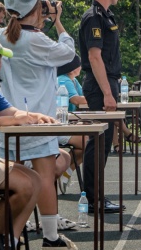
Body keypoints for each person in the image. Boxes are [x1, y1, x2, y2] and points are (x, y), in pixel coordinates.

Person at [0, 0, 78, 249]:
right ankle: (50, 237)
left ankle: (8, 235)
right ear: (36, 9)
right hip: (39, 122)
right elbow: (69, 54)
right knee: (45, 178)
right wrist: (58, 21)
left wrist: (41, 20)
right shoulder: (38, 41)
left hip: (8, 121)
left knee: (14, 183)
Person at [0, 35, 56, 250]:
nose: (1, 63)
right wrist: (13, 120)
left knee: (36, 180)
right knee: (24, 184)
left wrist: (35, 116)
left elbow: (12, 111)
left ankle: (5, 239)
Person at [78, 0, 125, 214]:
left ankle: (96, 196)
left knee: (103, 143)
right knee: (98, 143)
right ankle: (93, 199)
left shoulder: (106, 15)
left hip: (107, 82)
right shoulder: (94, 17)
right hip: (100, 85)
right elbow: (94, 57)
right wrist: (107, 93)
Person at [56, 55, 87, 193]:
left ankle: (66, 172)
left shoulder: (73, 80)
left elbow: (83, 97)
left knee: (89, 143)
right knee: (90, 142)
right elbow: (77, 100)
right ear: (73, 67)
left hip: (68, 122)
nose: (81, 67)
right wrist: (97, 98)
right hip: (60, 124)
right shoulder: (63, 80)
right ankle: (64, 172)